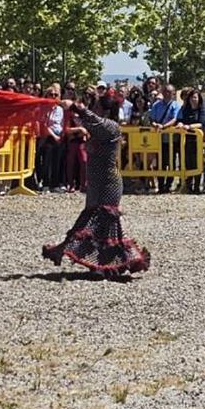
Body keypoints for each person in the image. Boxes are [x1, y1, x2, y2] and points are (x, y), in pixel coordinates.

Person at [42, 99, 150, 277]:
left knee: (105, 224)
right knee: (89, 222)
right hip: (96, 183)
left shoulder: (111, 126)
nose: (95, 110)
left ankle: (107, 265)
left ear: (106, 111)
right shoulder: (98, 128)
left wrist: (76, 106)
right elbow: (81, 123)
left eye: (98, 107)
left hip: (109, 184)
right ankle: (97, 262)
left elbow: (90, 119)